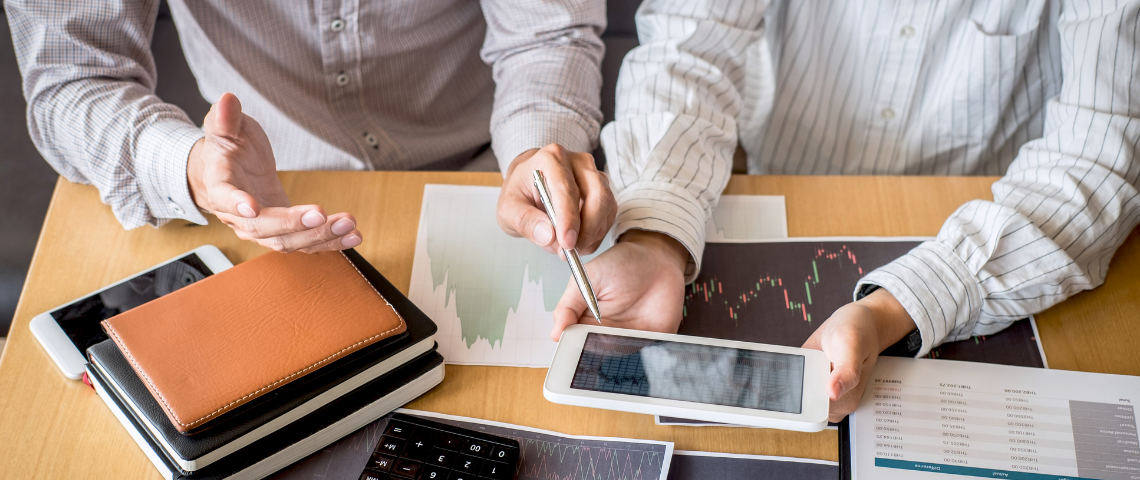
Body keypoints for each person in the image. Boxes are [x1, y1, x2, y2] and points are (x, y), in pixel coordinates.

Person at [551, 0, 1140, 422]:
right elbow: (688, 44)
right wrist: (656, 235)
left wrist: (896, 308)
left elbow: (1102, 151)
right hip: (778, 177)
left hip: (987, 220)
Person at [6, 0, 617, 260]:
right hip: (256, 203)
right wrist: (189, 164)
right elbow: (72, 76)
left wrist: (537, 149)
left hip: (489, 165)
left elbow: (548, 31)